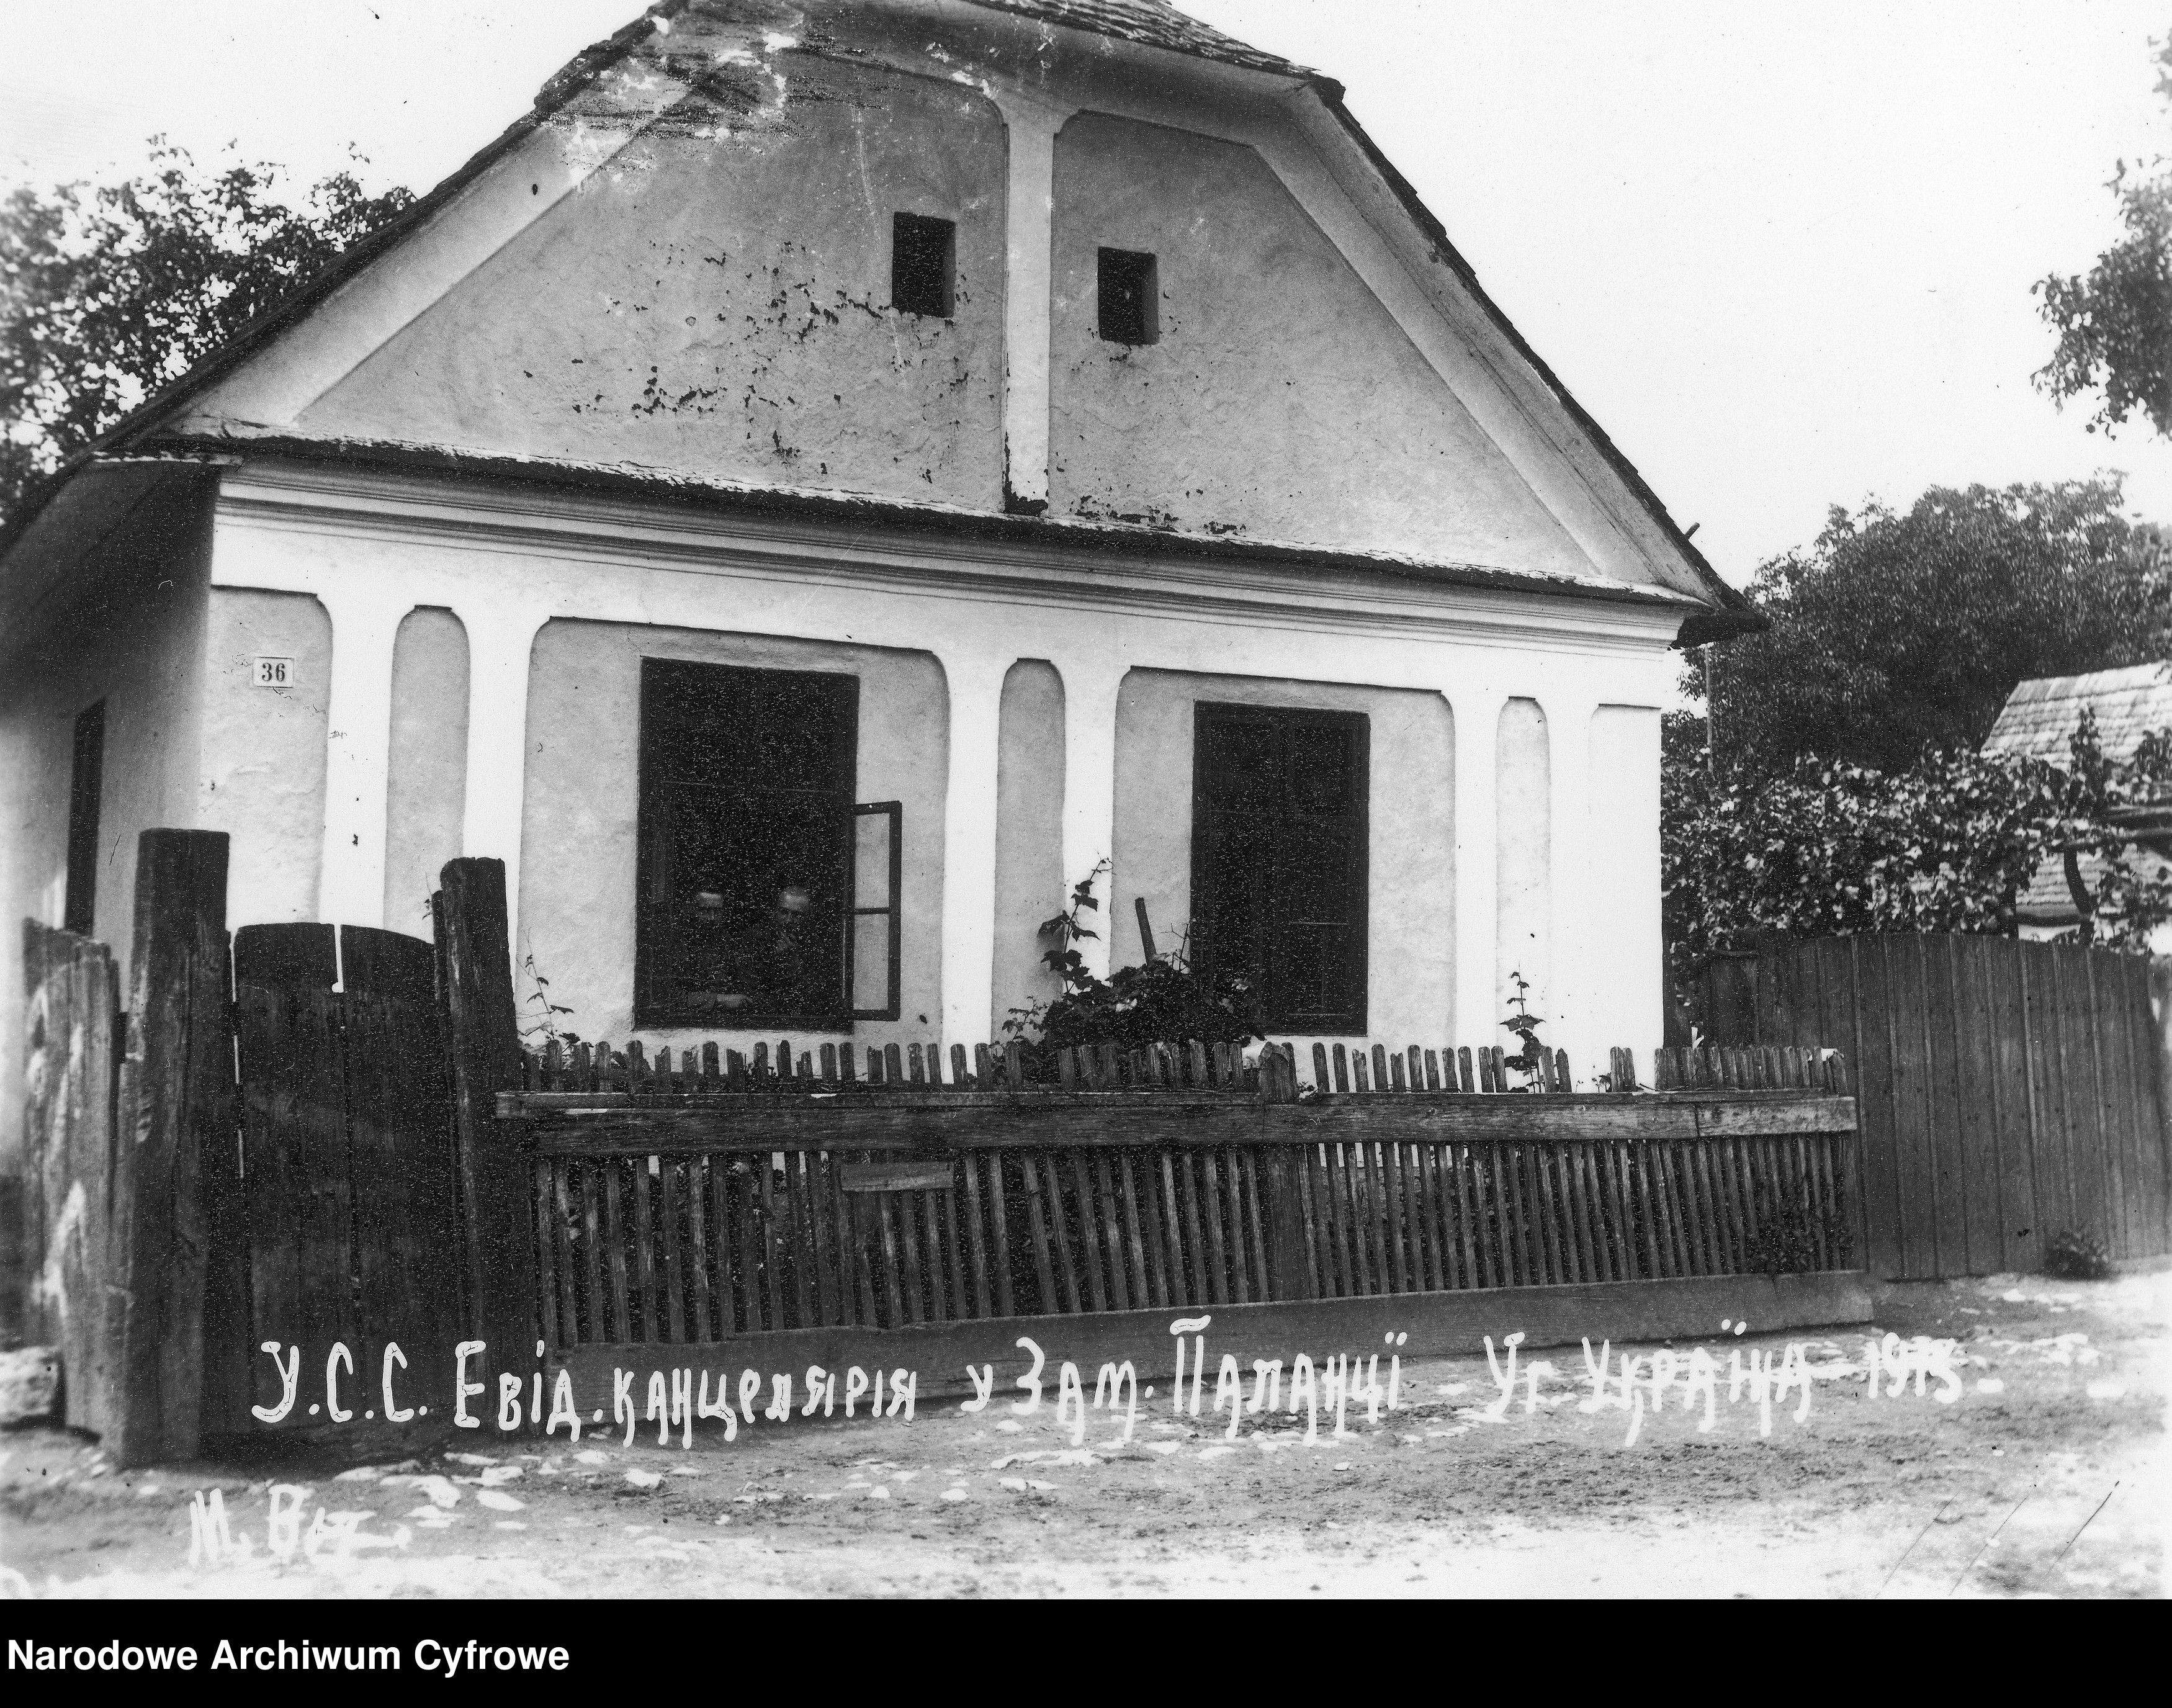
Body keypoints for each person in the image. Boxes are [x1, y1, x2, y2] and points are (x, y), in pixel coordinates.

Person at [686, 884, 815, 1017]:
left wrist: (792, 962)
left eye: (797, 915)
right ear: (774, 911)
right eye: (783, 912)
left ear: (808, 916)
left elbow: (815, 1000)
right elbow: (748, 994)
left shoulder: (816, 946)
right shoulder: (755, 939)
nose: (788, 920)